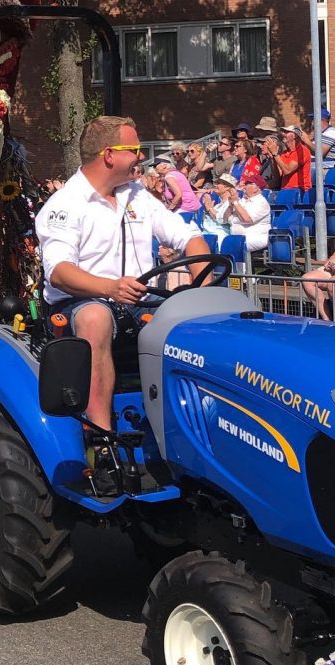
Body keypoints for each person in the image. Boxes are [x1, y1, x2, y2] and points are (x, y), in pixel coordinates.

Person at [36, 116, 207, 446]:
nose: (141, 157)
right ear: (109, 155)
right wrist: (109, 287)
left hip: (138, 301)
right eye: (135, 149)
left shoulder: (137, 196)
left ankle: (194, 430)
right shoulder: (64, 205)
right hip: (82, 302)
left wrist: (202, 285)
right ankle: (101, 438)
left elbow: (188, 238)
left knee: (196, 317)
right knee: (95, 317)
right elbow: (58, 271)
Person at [225, 172, 272, 251]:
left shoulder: (261, 203)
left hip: (256, 237)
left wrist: (236, 203)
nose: (244, 187)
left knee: (234, 245)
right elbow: (225, 219)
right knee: (223, 242)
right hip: (236, 236)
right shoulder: (242, 201)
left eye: (247, 184)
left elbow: (247, 219)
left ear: (256, 188)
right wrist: (231, 205)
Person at [267, 125, 312, 191]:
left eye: (286, 132)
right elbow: (278, 176)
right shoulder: (284, 153)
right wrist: (272, 158)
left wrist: (275, 154)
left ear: (295, 136)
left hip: (299, 191)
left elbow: (287, 171)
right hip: (286, 190)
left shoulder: (303, 151)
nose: (283, 134)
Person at [197, 173, 235, 243]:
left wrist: (209, 208)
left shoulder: (231, 203)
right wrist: (207, 210)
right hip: (206, 233)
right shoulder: (218, 205)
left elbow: (223, 219)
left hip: (218, 236)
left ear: (227, 187)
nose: (215, 185)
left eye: (218, 183)